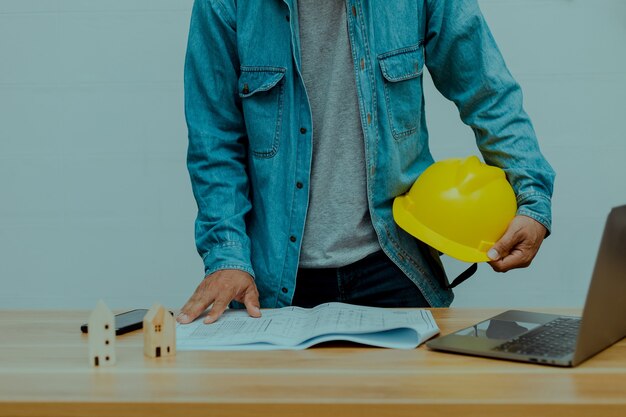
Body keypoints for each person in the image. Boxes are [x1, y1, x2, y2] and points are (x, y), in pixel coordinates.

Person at [176, 0, 555, 325]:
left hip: (397, 264)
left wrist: (532, 202)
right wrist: (227, 256)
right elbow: (215, 142)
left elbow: (488, 93)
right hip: (274, 282)